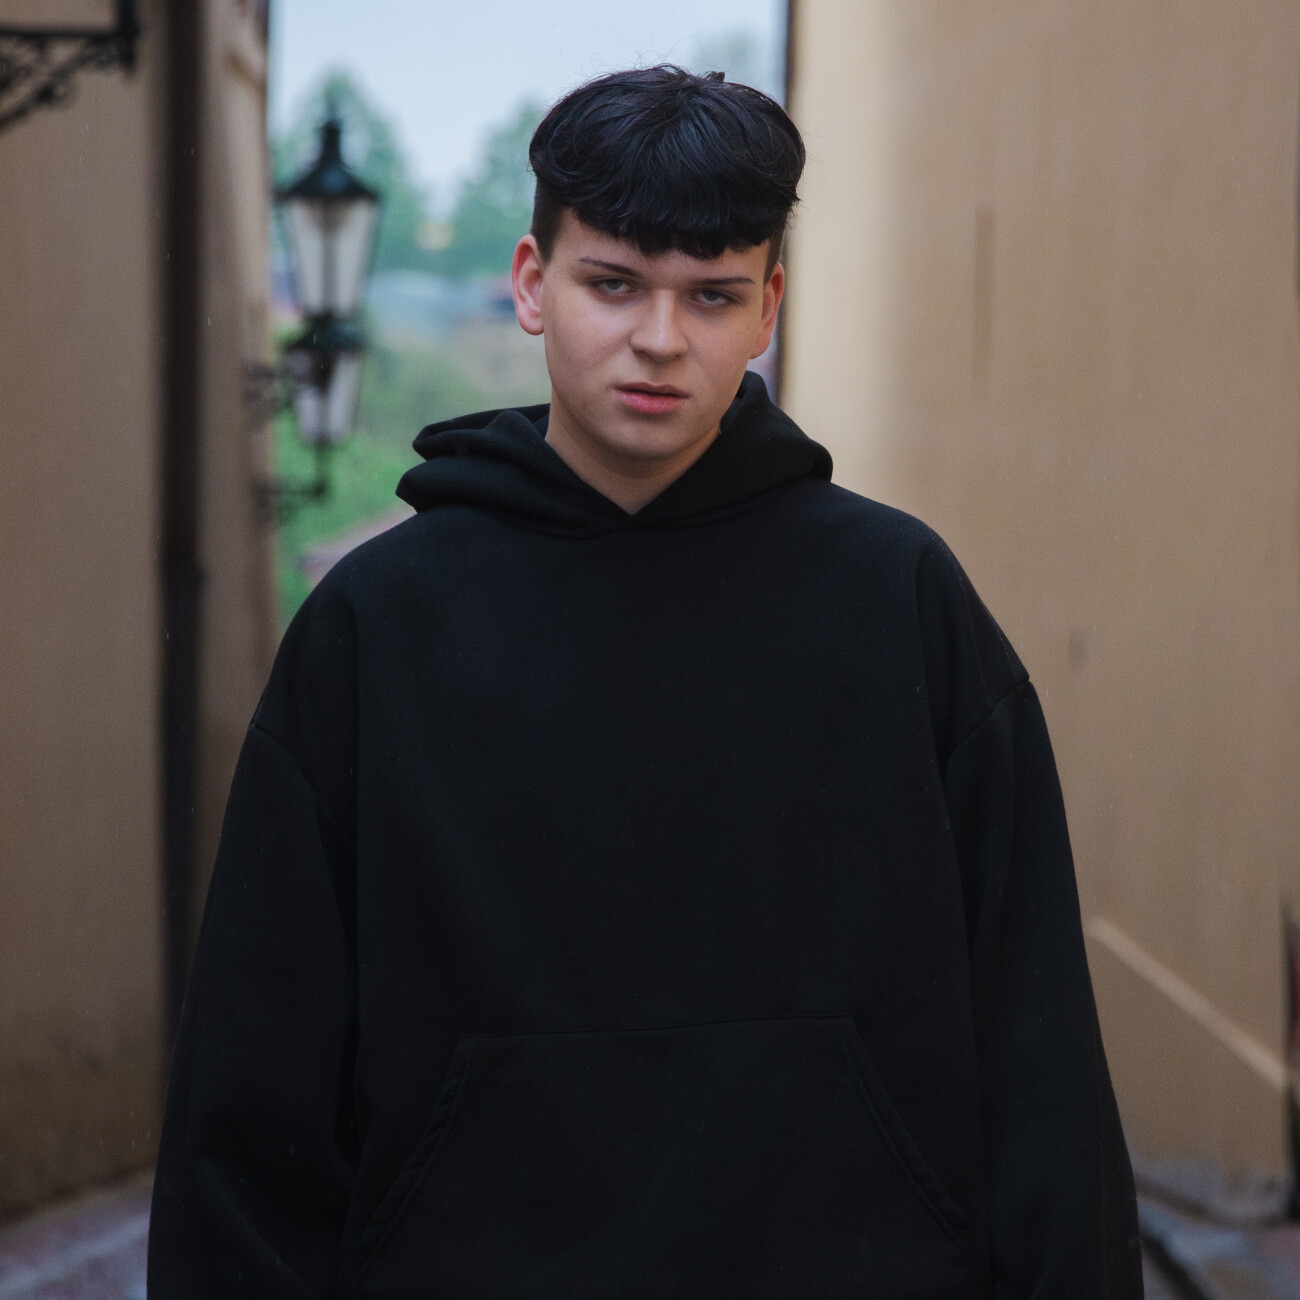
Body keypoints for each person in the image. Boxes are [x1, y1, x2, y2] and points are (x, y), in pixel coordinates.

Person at [148, 65, 1142, 1299]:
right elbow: (252, 1094)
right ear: (532, 283)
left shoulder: (901, 603)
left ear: (768, 307)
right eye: (613, 283)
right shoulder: (377, 627)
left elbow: (1038, 1053)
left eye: (711, 294)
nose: (660, 339)